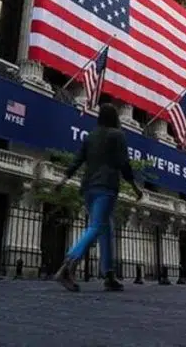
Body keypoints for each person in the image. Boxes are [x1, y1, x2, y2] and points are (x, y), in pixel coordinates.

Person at [53, 103, 143, 292]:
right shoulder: (117, 135)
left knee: (106, 228)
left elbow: (78, 160)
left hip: (88, 188)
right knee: (96, 226)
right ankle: (68, 266)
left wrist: (64, 179)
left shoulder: (91, 136)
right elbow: (124, 163)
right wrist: (135, 187)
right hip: (106, 186)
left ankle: (109, 275)